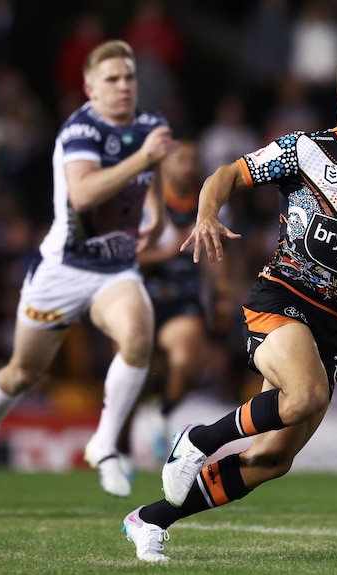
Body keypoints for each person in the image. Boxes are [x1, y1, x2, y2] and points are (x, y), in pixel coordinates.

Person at [121, 45, 337, 562]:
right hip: (282, 297)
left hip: (334, 322)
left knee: (273, 458)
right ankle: (198, 438)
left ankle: (149, 519)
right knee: (304, 396)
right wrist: (206, 215)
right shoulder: (305, 150)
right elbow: (227, 175)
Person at [0, 39, 174, 500]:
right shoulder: (81, 131)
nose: (122, 86)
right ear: (90, 88)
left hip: (114, 271)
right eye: (111, 79)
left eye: (129, 77)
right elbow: (82, 195)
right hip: (62, 270)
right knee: (23, 372)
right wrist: (144, 158)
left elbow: (150, 178)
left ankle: (105, 443)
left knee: (138, 335)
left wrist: (155, 222)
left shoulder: (151, 124)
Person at [118, 137, 227, 464]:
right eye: (181, 159)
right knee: (132, 380)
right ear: (164, 164)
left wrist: (221, 297)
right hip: (140, 300)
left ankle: (162, 413)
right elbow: (121, 259)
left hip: (183, 299)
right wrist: (166, 252)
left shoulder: (207, 203)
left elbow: (219, 255)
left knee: (187, 363)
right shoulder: (141, 204)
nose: (189, 167)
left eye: (193, 160)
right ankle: (120, 447)